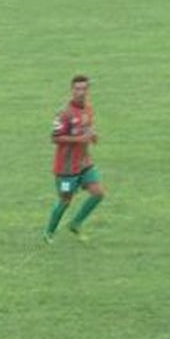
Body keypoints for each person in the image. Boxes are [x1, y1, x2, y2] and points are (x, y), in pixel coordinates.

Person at [44, 74, 104, 242]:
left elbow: (89, 128)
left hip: (85, 164)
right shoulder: (65, 113)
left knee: (98, 193)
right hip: (66, 168)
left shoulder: (88, 109)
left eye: (84, 89)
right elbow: (55, 138)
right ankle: (49, 232)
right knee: (65, 200)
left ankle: (75, 223)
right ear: (72, 90)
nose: (81, 92)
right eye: (77, 89)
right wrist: (79, 139)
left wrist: (93, 135)